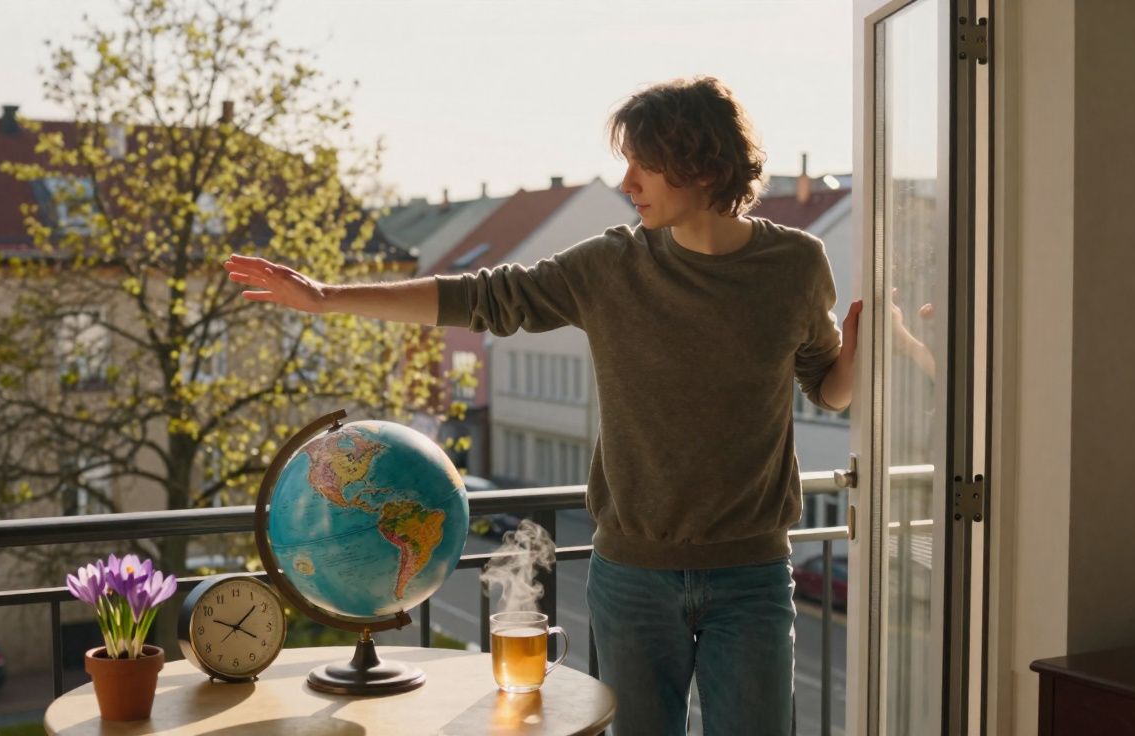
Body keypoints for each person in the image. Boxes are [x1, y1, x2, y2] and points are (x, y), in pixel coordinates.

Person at [225, 75, 862, 736]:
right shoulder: (611, 266)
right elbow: (479, 297)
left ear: (700, 164)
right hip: (633, 581)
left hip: (751, 578)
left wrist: (867, 356)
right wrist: (328, 298)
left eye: (644, 163)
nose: (628, 181)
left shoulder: (795, 264)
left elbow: (827, 389)